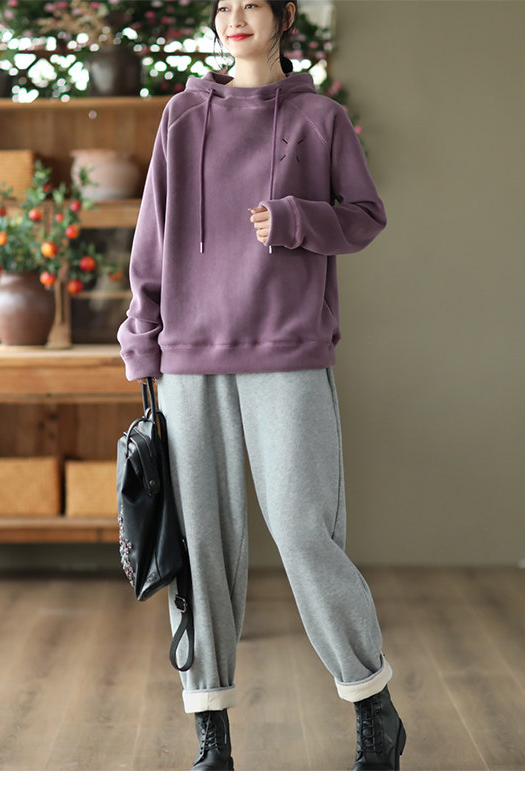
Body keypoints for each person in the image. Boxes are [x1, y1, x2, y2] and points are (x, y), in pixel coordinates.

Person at [117, 0, 405, 771]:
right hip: (189, 358)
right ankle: (210, 732)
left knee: (306, 532)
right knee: (201, 546)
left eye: (251, 3)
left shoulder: (320, 119)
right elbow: (152, 237)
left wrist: (296, 220)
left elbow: (366, 216)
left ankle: (372, 704)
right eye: (223, 5)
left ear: (284, 16)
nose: (234, 17)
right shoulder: (182, 117)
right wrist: (141, 340)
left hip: (288, 351)